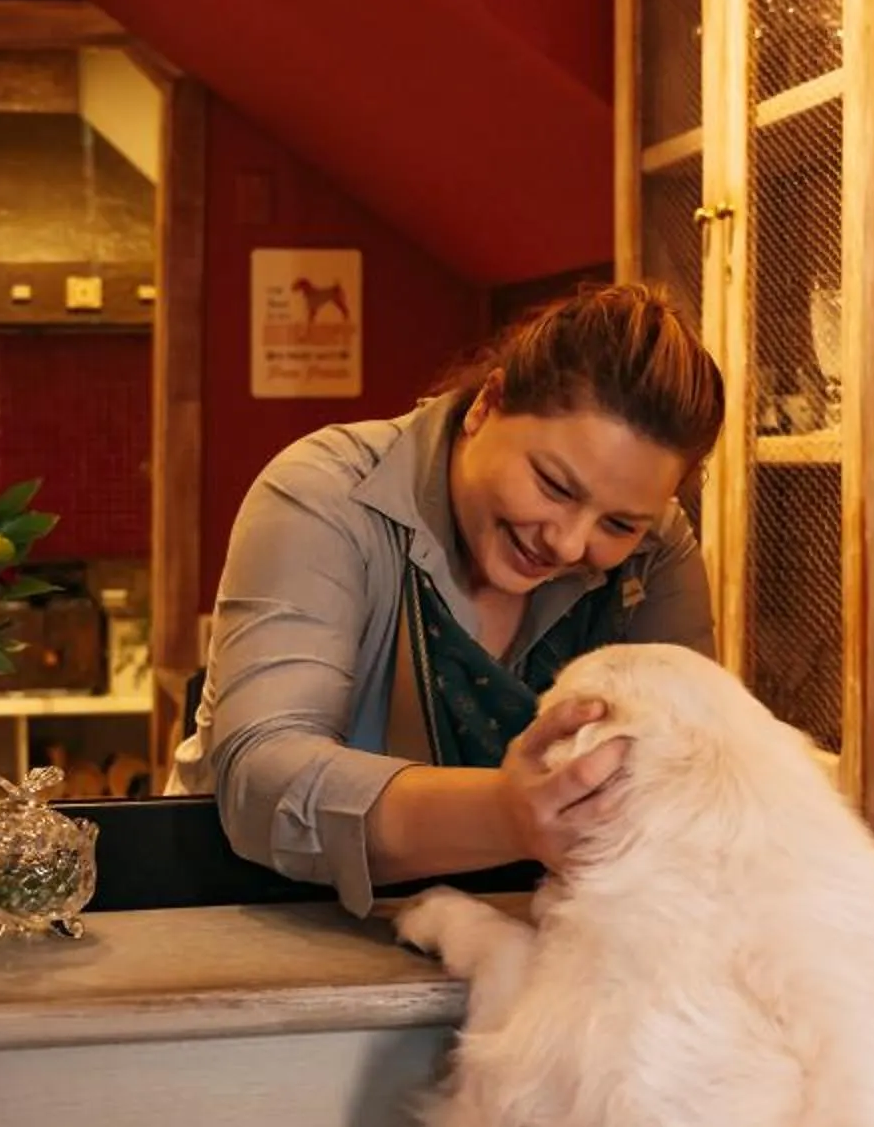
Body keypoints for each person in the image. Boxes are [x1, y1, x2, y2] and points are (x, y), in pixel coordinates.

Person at [170, 281, 725, 914]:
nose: (569, 544)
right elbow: (264, 775)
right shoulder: (325, 494)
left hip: (516, 940)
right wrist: (507, 817)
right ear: (487, 404)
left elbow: (694, 767)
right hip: (263, 916)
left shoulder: (657, 546)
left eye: (618, 525)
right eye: (553, 485)